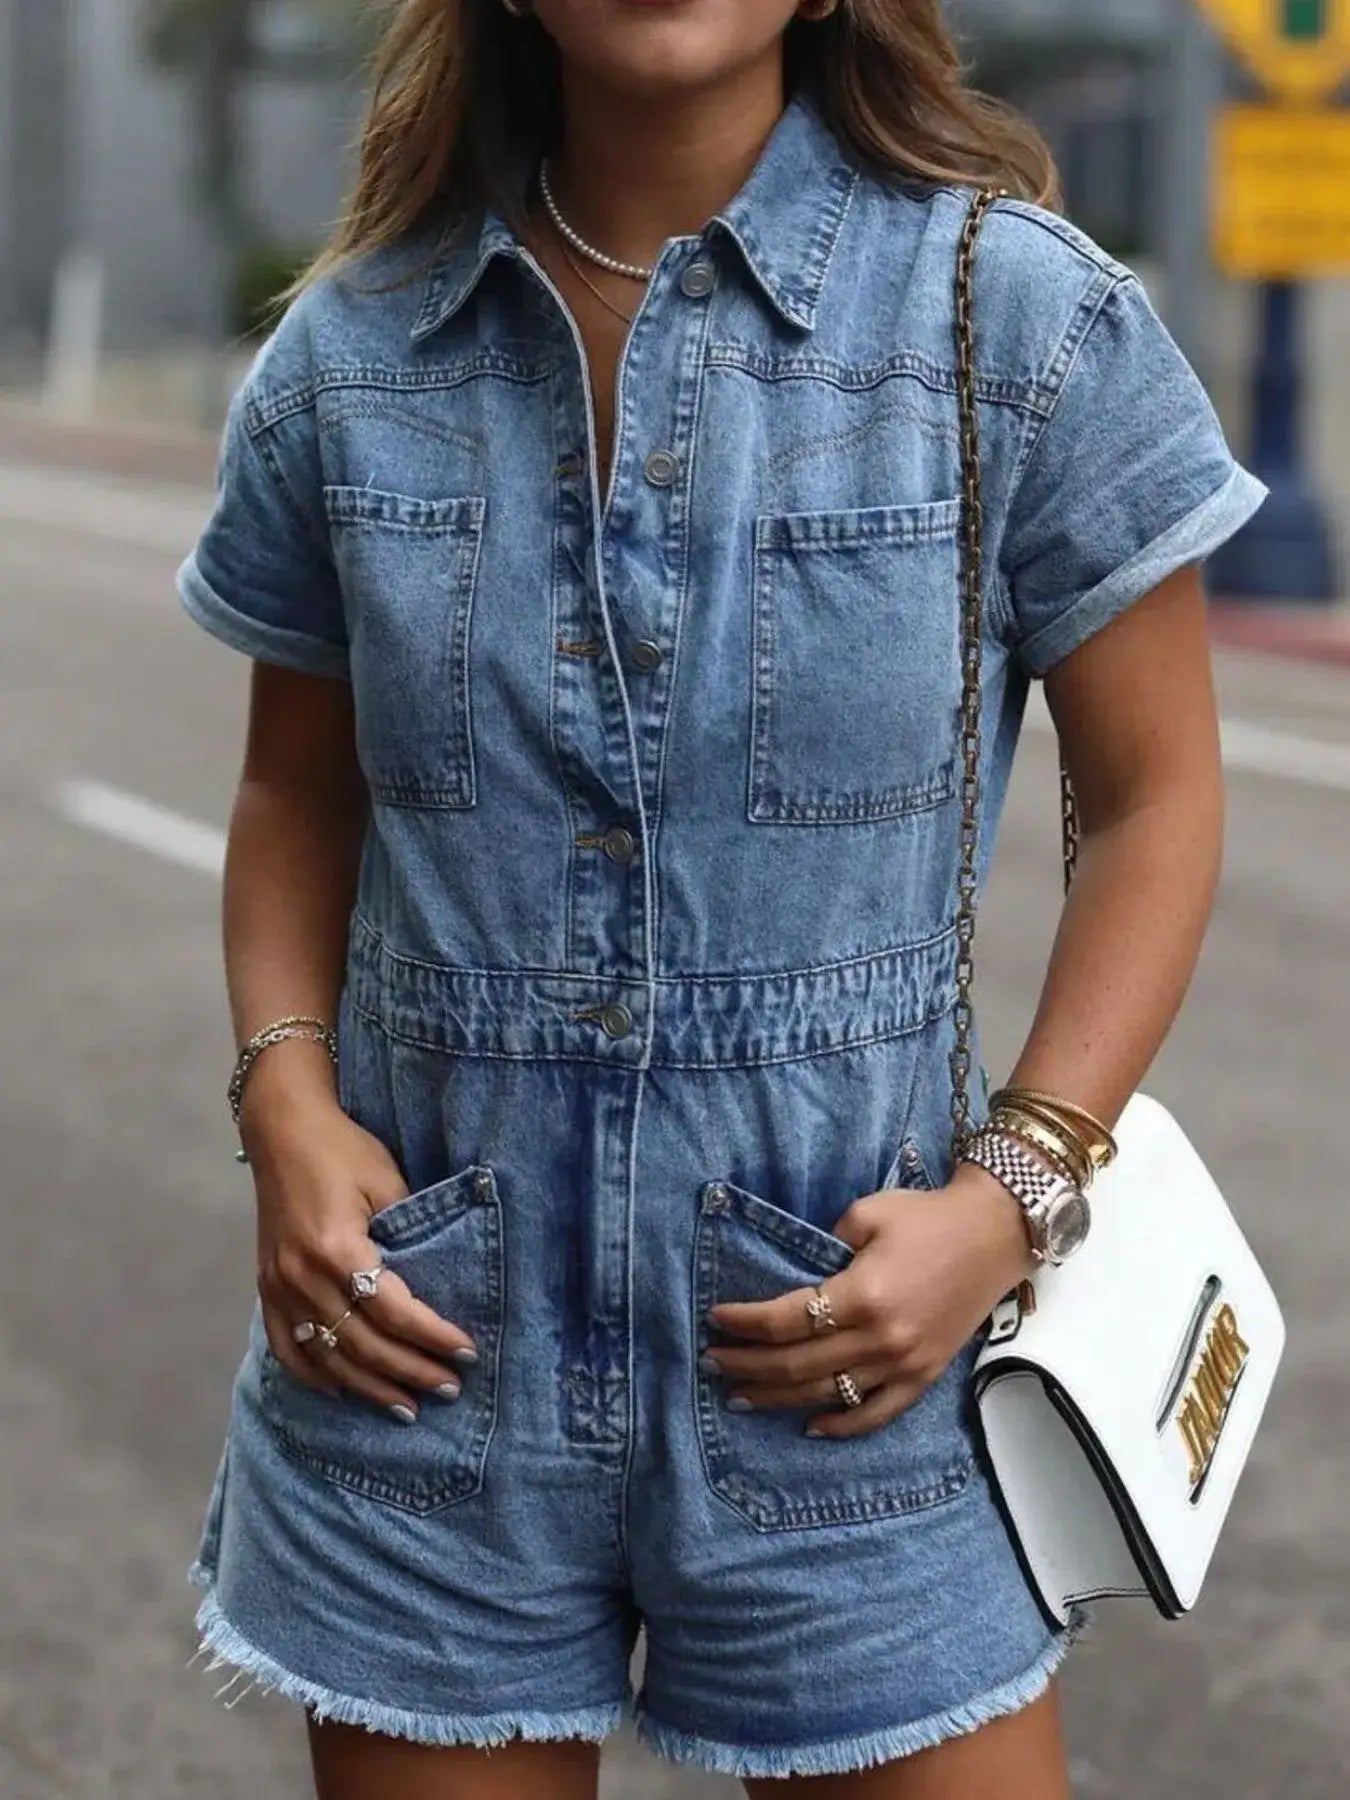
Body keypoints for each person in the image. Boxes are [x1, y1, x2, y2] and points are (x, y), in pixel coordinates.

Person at [177, 1, 1267, 1795]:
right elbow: (294, 791)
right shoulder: (349, 356)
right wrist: (284, 1101)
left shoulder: (1018, 321)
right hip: (420, 1359)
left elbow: (1155, 800)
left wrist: (1012, 1193)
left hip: (859, 1351)